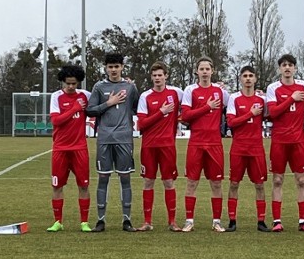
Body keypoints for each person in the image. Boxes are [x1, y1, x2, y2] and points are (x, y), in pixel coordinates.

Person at [85, 52, 140, 232]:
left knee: (125, 178)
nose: (114, 70)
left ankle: (127, 220)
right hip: (104, 139)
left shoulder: (130, 87)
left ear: (122, 67)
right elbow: (90, 111)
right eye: (110, 67)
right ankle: (100, 221)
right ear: (106, 68)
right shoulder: (99, 87)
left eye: (117, 66)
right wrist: (109, 102)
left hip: (124, 138)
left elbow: (137, 108)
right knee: (103, 178)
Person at [265, 54, 304, 232]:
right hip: (279, 141)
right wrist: (291, 99)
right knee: (277, 180)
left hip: (298, 141)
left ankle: (303, 221)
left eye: (290, 65)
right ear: (279, 68)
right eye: (284, 65)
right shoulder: (273, 88)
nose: (287, 68)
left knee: (301, 180)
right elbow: (273, 112)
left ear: (295, 68)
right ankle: (277, 221)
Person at [180, 56, 229, 232]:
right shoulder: (190, 90)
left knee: (216, 183)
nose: (205, 72)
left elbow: (234, 107)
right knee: (192, 182)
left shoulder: (221, 92)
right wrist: (207, 107)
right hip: (196, 143)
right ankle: (189, 221)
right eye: (201, 69)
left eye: (207, 69)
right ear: (197, 71)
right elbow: (185, 116)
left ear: (212, 71)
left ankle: (217, 221)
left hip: (215, 143)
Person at [135, 61, 183, 231]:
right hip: (148, 146)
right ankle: (147, 222)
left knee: (169, 182)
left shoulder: (176, 93)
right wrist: (161, 112)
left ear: (166, 76)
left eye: (160, 75)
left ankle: (173, 222)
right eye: (154, 75)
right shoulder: (145, 96)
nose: (157, 78)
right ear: (151, 77)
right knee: (148, 181)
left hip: (167, 145)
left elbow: (191, 104)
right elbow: (141, 124)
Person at [47, 64, 92, 232]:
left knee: (84, 186)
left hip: (80, 148)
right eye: (68, 83)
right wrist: (74, 108)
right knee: (57, 186)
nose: (71, 87)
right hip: (60, 148)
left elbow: (100, 104)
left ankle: (84, 222)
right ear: (62, 82)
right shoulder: (56, 97)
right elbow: (56, 121)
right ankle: (58, 221)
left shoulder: (86, 96)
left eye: (74, 83)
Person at [225, 66, 270, 232]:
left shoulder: (262, 100)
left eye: (251, 75)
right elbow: (231, 122)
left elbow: (271, 114)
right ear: (241, 79)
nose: (248, 79)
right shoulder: (234, 98)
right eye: (245, 76)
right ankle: (232, 221)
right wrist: (250, 114)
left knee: (259, 185)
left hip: (256, 148)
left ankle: (261, 221)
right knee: (234, 183)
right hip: (238, 147)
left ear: (256, 78)